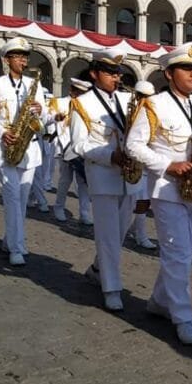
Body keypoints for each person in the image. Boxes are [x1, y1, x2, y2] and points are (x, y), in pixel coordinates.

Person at [126, 42, 192, 345]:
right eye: (188, 69)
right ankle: (182, 316)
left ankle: (158, 301)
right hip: (168, 190)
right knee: (177, 253)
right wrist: (169, 165)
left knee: (186, 252)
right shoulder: (153, 105)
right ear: (168, 73)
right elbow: (133, 146)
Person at [70, 48, 143, 311]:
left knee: (121, 233)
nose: (116, 77)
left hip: (129, 176)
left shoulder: (128, 100)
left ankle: (97, 269)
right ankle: (111, 288)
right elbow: (79, 145)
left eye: (118, 73)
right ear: (94, 73)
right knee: (108, 235)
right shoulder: (82, 104)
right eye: (110, 72)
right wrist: (109, 156)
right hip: (102, 176)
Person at [0, 37, 50, 266]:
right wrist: (2, 132)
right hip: (6, 147)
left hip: (29, 148)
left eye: (25, 56)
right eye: (18, 56)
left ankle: (9, 240)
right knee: (11, 198)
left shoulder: (35, 84)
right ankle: (17, 248)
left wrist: (41, 110)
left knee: (21, 199)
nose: (23, 60)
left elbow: (46, 118)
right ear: (7, 59)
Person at [53, 78, 93, 225]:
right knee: (65, 180)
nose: (81, 95)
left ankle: (85, 213)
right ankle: (59, 207)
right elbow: (56, 124)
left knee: (83, 182)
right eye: (79, 92)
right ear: (72, 91)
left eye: (84, 93)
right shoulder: (59, 103)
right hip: (65, 147)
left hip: (81, 148)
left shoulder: (86, 106)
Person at [125, 80, 158, 250]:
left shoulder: (150, 112)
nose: (146, 100)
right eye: (143, 97)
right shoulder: (131, 112)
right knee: (140, 203)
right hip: (133, 162)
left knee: (145, 202)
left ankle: (134, 230)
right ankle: (140, 235)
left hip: (147, 163)